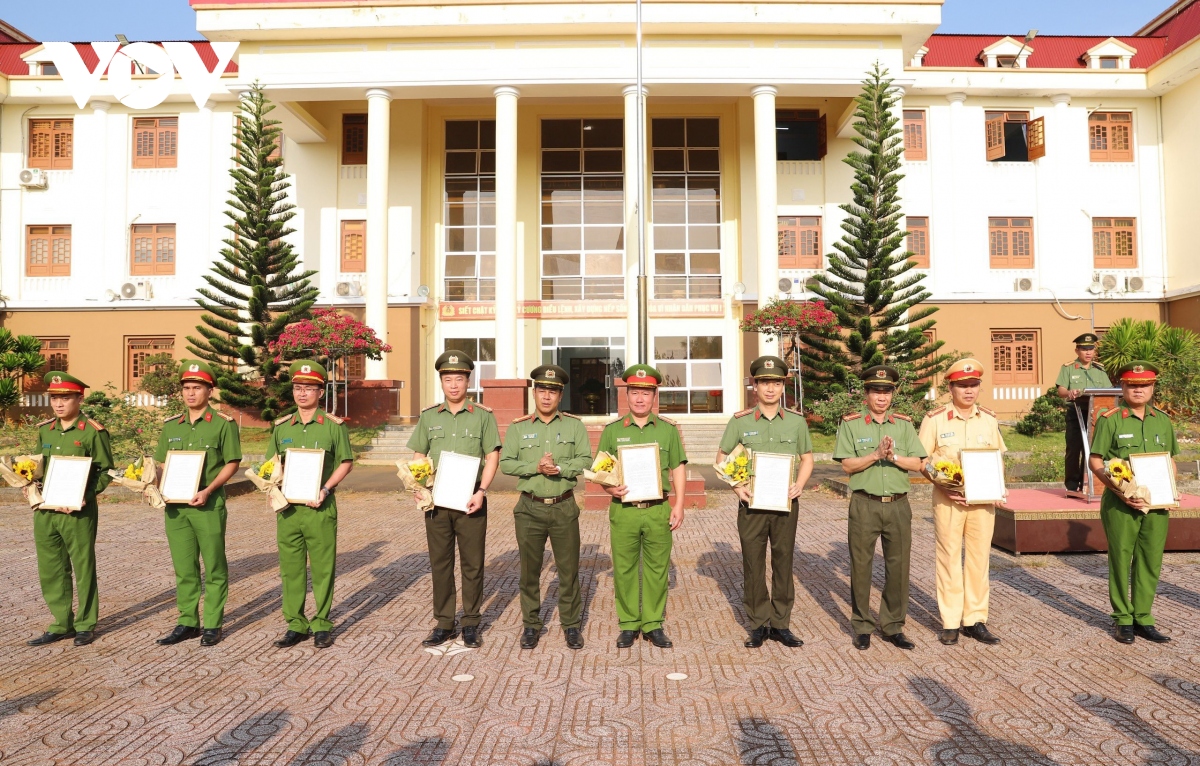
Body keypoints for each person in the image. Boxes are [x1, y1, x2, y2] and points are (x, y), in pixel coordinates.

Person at [715, 356, 814, 649]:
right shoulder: (741, 421)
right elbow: (721, 458)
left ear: (783, 386)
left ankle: (781, 624)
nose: (770, 389)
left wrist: (800, 484)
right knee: (753, 564)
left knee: (784, 562)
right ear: (754, 386)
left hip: (785, 504)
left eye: (776, 383)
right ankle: (758, 624)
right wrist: (737, 486)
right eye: (764, 382)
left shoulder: (796, 422)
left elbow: (807, 459)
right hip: (752, 506)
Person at [407, 351, 501, 649]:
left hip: (470, 498)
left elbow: (492, 455)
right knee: (441, 563)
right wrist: (419, 485)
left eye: (459, 379)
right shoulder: (429, 416)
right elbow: (419, 455)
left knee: (472, 563)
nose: (454, 385)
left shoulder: (483, 416)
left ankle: (471, 622)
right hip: (437, 500)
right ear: (442, 382)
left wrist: (482, 491)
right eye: (448, 379)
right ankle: (445, 622)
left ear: (468, 381)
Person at [833, 366, 927, 651]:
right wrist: (875, 455)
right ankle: (862, 625)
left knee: (898, 567)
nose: (882, 397)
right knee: (861, 566)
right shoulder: (851, 425)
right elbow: (847, 464)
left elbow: (920, 464)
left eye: (886, 391)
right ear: (867, 394)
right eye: (876, 391)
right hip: (865, 504)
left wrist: (893, 455)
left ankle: (893, 625)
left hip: (898, 505)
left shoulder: (904, 425)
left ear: (893, 394)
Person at [499, 364, 592, 650]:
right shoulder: (519, 427)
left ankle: (571, 625)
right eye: (542, 390)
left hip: (563, 507)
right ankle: (531, 624)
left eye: (553, 391)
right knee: (529, 571)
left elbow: (586, 460)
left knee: (568, 570)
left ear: (560, 395)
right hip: (530, 508)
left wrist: (561, 467)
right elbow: (506, 463)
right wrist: (536, 467)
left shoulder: (573, 426)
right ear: (534, 392)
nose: (547, 396)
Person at [595, 364, 687, 649]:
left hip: (658, 508)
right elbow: (601, 469)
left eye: (645, 393)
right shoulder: (612, 431)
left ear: (654, 395)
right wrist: (609, 487)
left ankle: (652, 623)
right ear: (627, 395)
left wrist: (680, 504)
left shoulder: (668, 430)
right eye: (634, 392)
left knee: (657, 569)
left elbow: (678, 468)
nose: (639, 398)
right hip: (624, 511)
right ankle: (628, 624)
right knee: (623, 568)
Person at [153, 361, 243, 647]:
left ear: (209, 391)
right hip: (176, 508)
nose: (190, 394)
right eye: (186, 389)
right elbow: (161, 463)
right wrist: (152, 484)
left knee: (214, 565)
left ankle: (213, 623)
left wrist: (209, 489)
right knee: (184, 567)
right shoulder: (171, 426)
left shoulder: (223, 424)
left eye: (197, 388)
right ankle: (188, 621)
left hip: (207, 505)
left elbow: (232, 463)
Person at [917, 358, 1006, 647]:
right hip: (949, 501)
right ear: (951, 387)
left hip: (982, 503)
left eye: (973, 385)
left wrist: (999, 489)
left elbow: (996, 460)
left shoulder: (989, 420)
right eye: (962, 385)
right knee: (949, 559)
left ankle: (975, 619)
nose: (968, 391)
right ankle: (951, 621)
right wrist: (939, 482)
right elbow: (922, 461)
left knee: (980, 561)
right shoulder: (935, 419)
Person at [1088, 360, 1178, 645]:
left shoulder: (1163, 420)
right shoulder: (1111, 419)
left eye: (1144, 385)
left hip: (1157, 503)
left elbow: (1171, 460)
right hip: (1120, 503)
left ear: (1153, 387)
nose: (1138, 390)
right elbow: (1095, 460)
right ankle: (1123, 619)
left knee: (1151, 560)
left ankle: (1144, 617)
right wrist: (1119, 491)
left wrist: (1170, 490)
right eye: (1132, 385)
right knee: (1120, 559)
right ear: (1122, 386)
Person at [266, 360, 354, 649]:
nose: (302, 393)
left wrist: (327, 489)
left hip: (320, 506)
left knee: (322, 568)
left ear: (320, 391)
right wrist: (270, 487)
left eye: (309, 388)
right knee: (290, 569)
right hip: (288, 510)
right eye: (297, 388)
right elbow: (271, 465)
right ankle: (295, 624)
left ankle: (322, 623)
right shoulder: (281, 427)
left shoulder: (332, 426)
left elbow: (345, 462)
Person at [27, 372, 114, 647]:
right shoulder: (45, 430)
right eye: (54, 398)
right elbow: (39, 467)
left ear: (79, 398)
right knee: (51, 568)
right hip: (47, 509)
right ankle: (61, 622)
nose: (59, 404)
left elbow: (106, 471)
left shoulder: (92, 432)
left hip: (78, 510)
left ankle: (86, 624)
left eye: (65, 397)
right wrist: (29, 482)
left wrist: (86, 496)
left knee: (83, 566)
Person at [1056, 333, 1112, 493]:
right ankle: (1073, 486)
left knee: (1096, 449)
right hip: (1077, 412)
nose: (1088, 352)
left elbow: (1108, 391)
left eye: (1091, 349)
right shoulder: (1068, 368)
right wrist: (1069, 392)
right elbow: (1061, 390)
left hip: (1097, 415)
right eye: (1084, 349)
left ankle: (1094, 484)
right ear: (1077, 351)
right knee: (1074, 449)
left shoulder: (1099, 370)